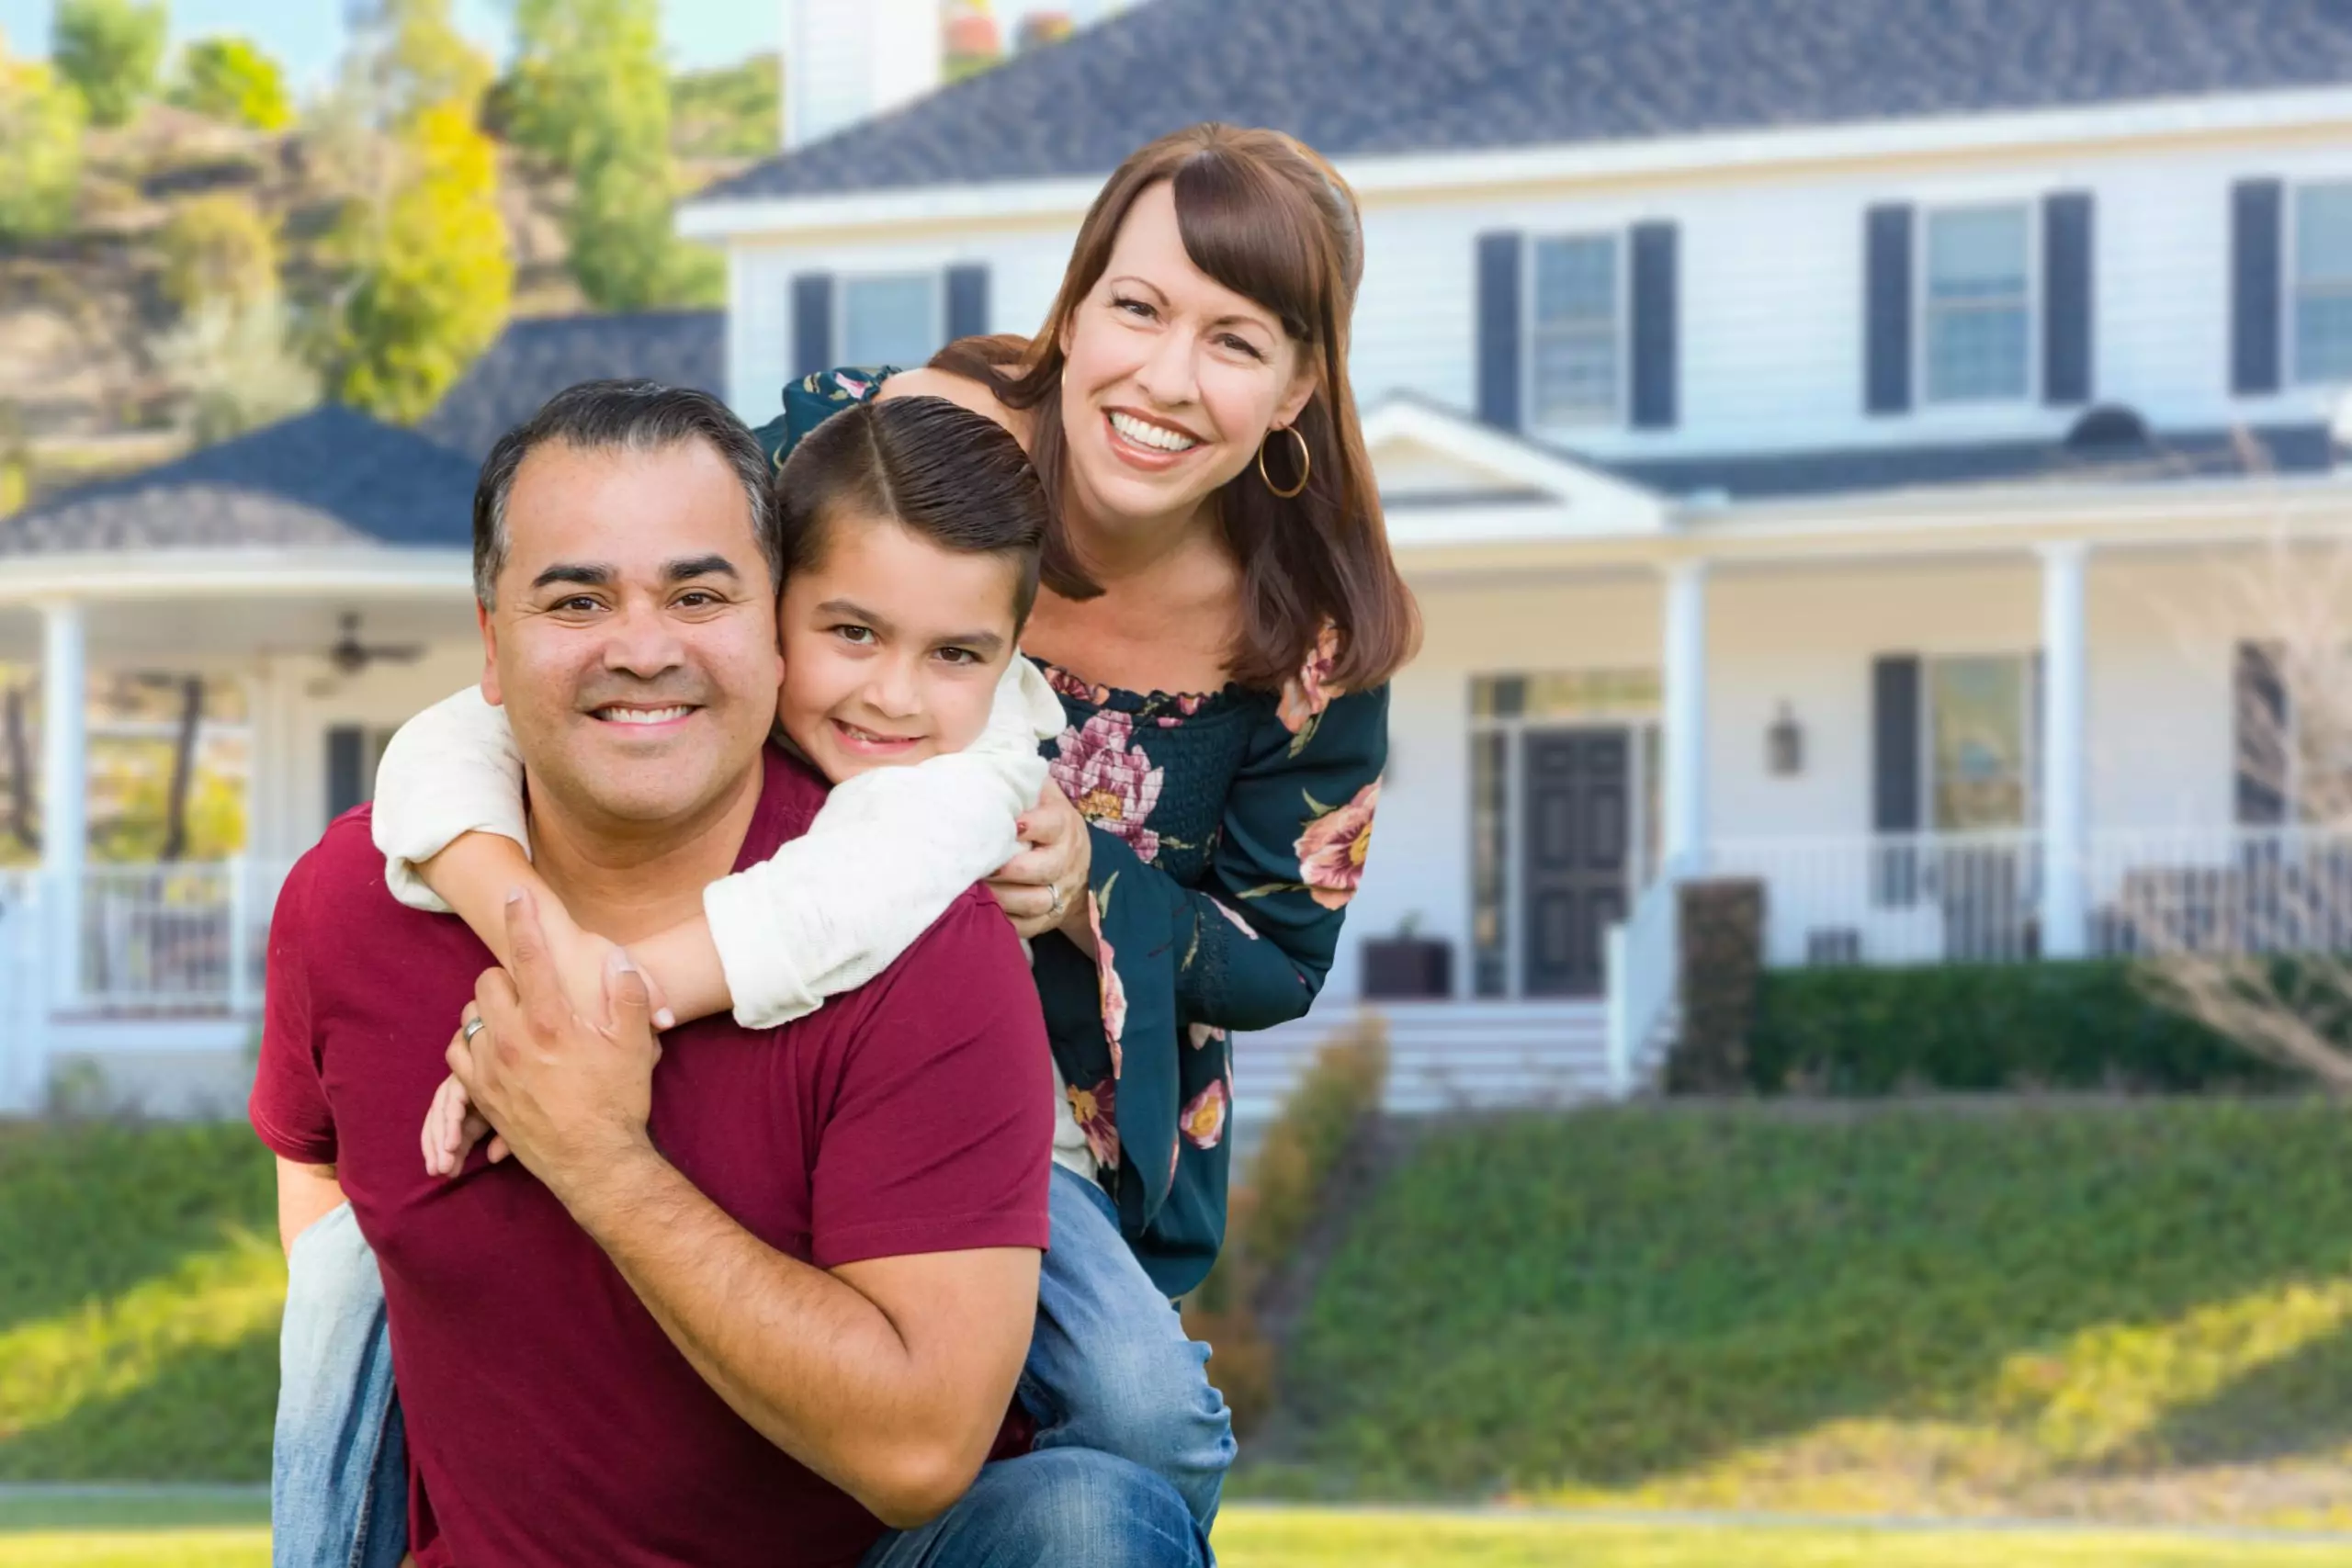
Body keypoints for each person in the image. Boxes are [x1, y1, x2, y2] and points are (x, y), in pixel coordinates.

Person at [379, 114, 1419, 1531]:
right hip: (725, 988)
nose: (1166, 378)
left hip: (1030, 1118)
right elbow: (630, 625)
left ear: (1301, 386)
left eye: (1237, 343)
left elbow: (1280, 955)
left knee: (1144, 1423)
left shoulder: (1313, 647)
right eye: (1138, 306)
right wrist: (535, 923)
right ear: (1077, 304)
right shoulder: (872, 442)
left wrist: (1087, 888)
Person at [254, 380, 1208, 1568]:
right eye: (577, 598)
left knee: (1111, 1486)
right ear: (492, 645)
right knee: (340, 1284)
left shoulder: (930, 899)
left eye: (697, 594)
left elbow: (917, 1452)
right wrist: (535, 930)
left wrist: (599, 1138)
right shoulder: (359, 890)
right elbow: (319, 1162)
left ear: (761, 622)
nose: (643, 646)